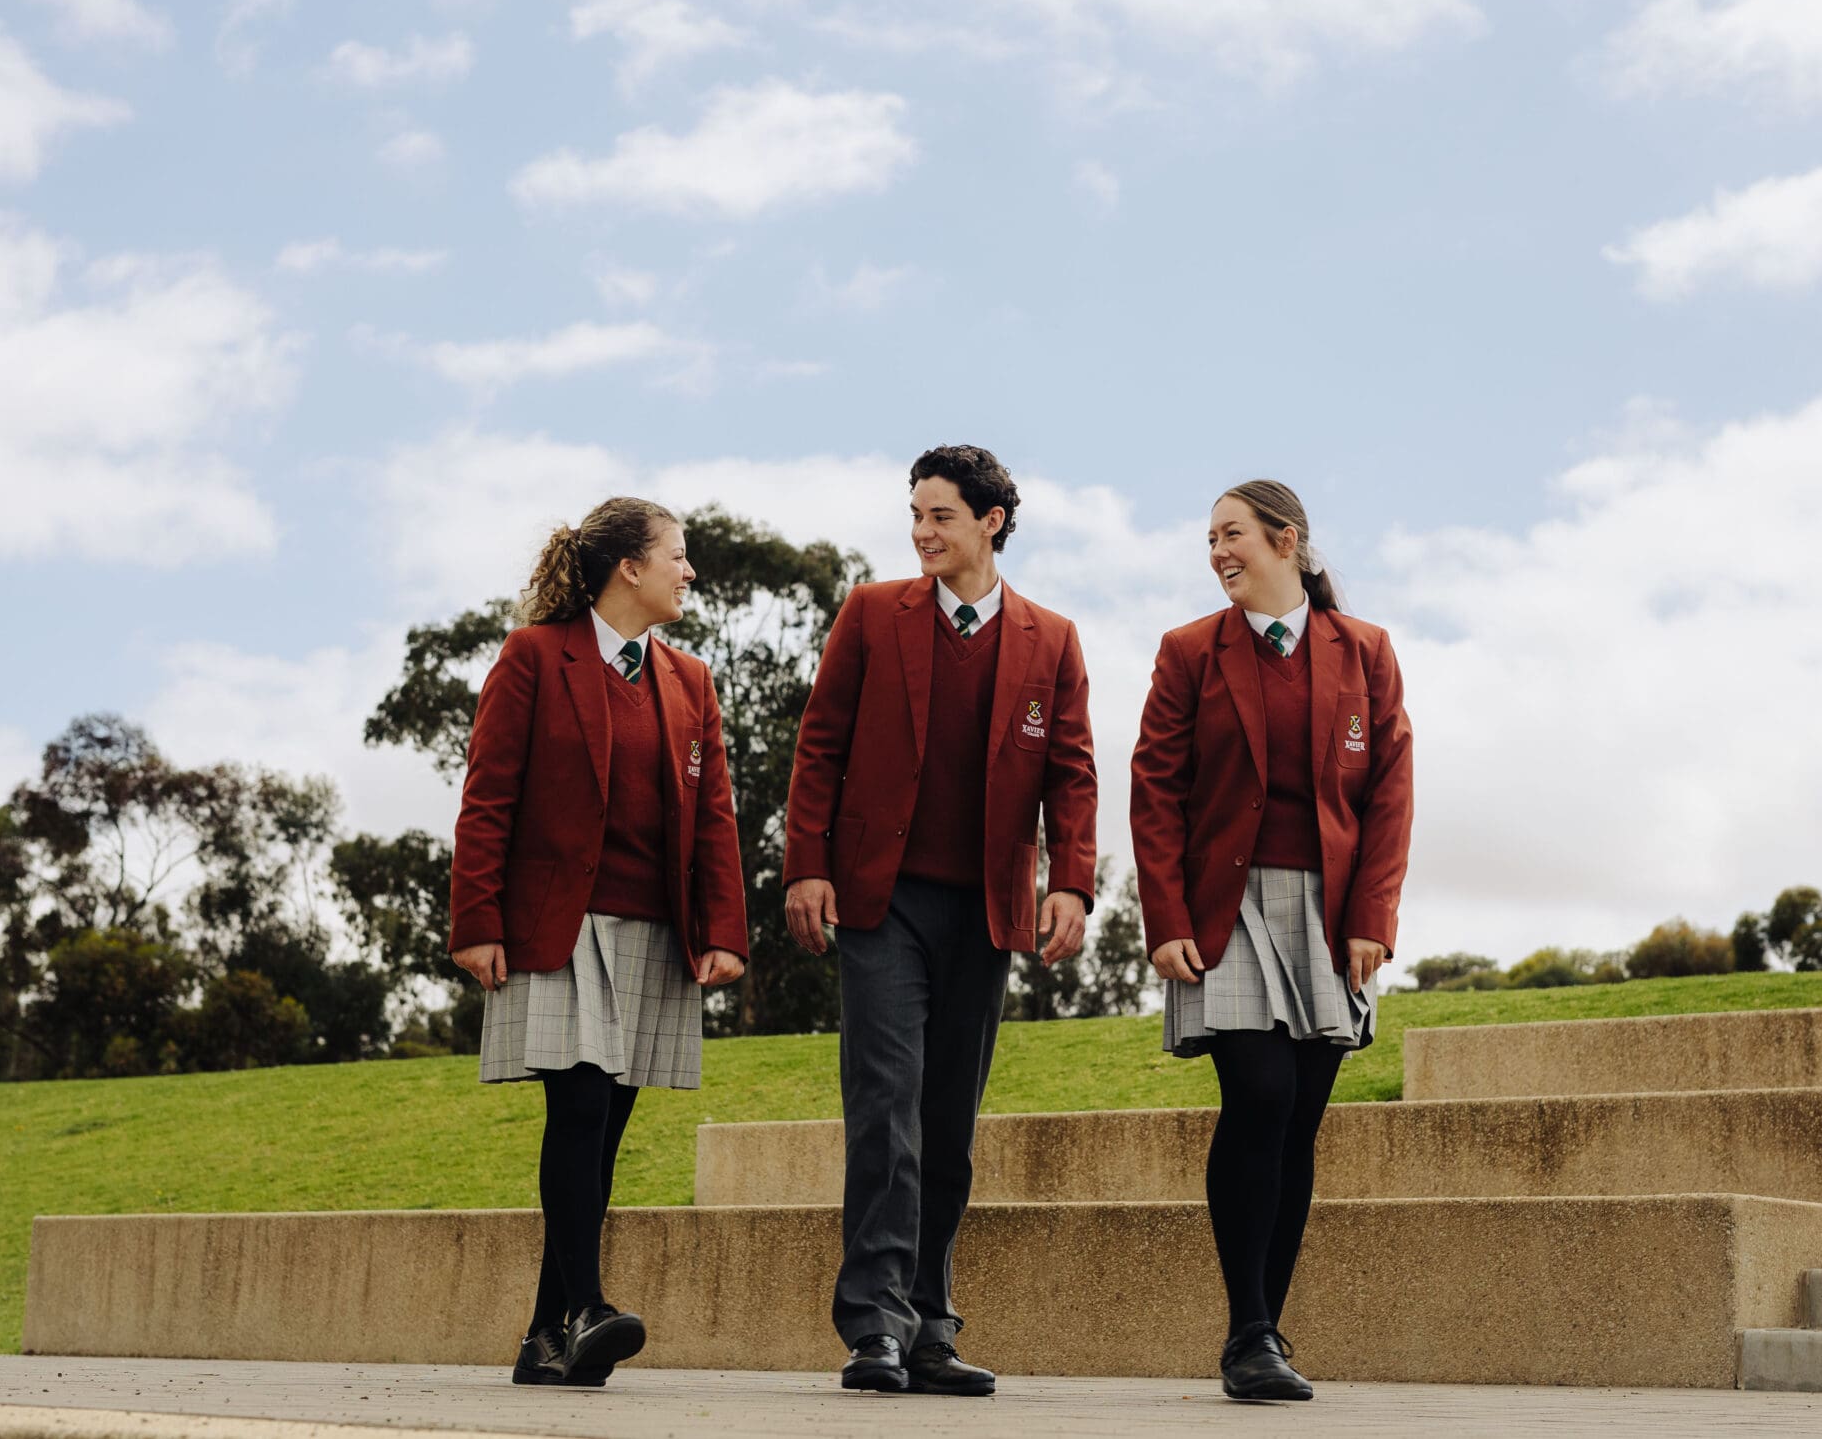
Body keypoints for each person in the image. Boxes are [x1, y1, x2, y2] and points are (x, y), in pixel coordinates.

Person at [783, 444, 1100, 1396]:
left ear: (991, 520)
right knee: (886, 1108)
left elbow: (1072, 775)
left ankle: (929, 1323)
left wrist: (1071, 885)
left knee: (948, 1122)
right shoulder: (873, 615)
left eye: (941, 516)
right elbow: (820, 746)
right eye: (914, 515)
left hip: (988, 910)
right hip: (883, 903)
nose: (922, 532)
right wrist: (807, 867)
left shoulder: (1051, 638)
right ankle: (874, 1325)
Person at [449, 497, 750, 1388]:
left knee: (604, 1129)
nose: (687, 572)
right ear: (630, 566)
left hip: (653, 931)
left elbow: (715, 816)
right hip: (557, 925)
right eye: (678, 556)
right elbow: (488, 794)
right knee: (578, 1106)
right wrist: (477, 921)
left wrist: (724, 929)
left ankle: (546, 1338)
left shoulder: (690, 680)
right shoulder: (535, 656)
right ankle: (585, 1304)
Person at [1128, 479, 1412, 1402]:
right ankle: (1247, 1327)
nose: (1218, 552)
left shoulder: (1364, 651)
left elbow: (1390, 796)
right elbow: (1156, 789)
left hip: (1329, 911)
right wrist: (1166, 918)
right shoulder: (1187, 653)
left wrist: (1373, 916)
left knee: (1300, 1118)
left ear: (1288, 540)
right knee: (1259, 1088)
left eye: (1234, 534)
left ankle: (1266, 1334)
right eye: (1210, 539)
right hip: (1226, 906)